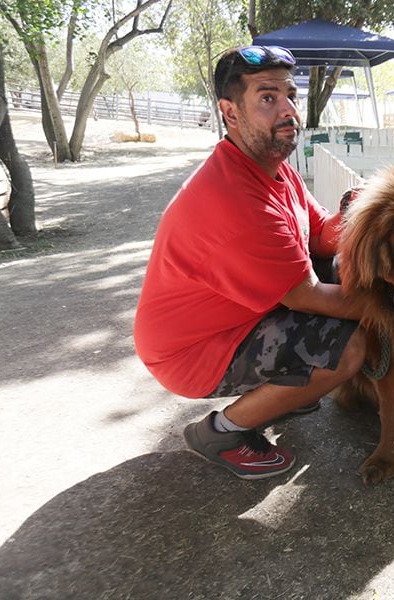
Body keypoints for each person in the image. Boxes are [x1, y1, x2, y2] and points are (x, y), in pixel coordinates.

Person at [134, 45, 365, 480]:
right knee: (346, 349)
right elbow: (308, 296)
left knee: (338, 276)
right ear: (230, 111)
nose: (288, 110)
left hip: (235, 318)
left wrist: (362, 212)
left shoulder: (273, 167)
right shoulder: (235, 199)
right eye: (267, 97)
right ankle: (220, 432)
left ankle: (289, 391)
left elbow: (319, 235)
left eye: (290, 95)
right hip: (195, 352)